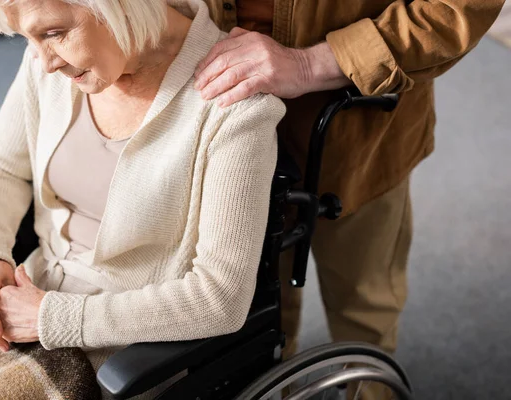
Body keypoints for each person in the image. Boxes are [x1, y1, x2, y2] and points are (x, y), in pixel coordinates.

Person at [0, 0, 286, 380]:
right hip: (24, 291)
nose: (45, 62)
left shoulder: (234, 107)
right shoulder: (49, 63)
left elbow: (219, 298)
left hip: (123, 350)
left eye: (54, 33)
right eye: (28, 39)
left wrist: (51, 317)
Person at [195, 0, 505, 398]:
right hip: (219, 138)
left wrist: (311, 65)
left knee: (365, 312)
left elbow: (458, 8)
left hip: (359, 134)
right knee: (252, 326)